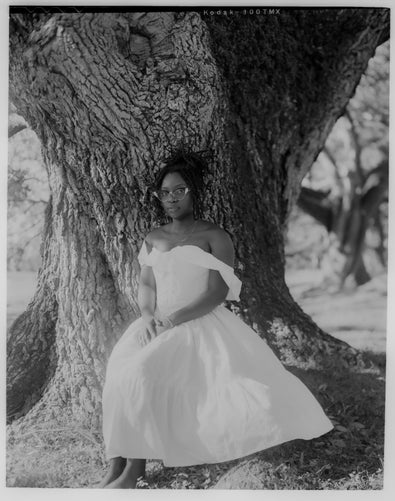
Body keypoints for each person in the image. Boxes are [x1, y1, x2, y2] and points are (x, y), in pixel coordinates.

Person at [99, 153, 334, 488]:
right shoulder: (153, 237)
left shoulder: (215, 236)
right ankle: (115, 463)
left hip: (197, 322)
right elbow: (147, 284)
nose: (171, 199)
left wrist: (174, 319)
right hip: (156, 321)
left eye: (179, 191)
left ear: (194, 191)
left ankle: (135, 470)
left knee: (141, 374)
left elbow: (216, 292)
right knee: (118, 373)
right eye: (164, 193)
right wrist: (149, 316)